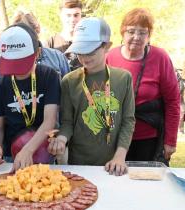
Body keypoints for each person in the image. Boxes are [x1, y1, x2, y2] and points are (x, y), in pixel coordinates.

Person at [51, 17, 135, 176]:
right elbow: (67, 122)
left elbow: (128, 121)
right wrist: (61, 139)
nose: (84, 57)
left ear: (107, 46)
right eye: (80, 51)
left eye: (90, 51)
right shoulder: (69, 81)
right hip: (78, 165)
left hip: (113, 165)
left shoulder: (123, 78)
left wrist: (120, 156)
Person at [0, 11, 70, 142]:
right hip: (14, 138)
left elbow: (67, 95)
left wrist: (65, 132)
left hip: (49, 137)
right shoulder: (3, 62)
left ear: (36, 32)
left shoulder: (56, 58)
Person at [106, 8, 180, 165]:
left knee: (146, 184)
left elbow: (173, 102)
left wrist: (170, 140)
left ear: (149, 35)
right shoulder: (110, 57)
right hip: (115, 137)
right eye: (131, 31)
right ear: (122, 32)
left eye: (142, 33)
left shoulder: (160, 57)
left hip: (149, 140)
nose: (136, 37)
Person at [0, 23, 61, 171]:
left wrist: (28, 150)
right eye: (13, 64)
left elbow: (50, 121)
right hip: (11, 156)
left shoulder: (49, 77)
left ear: (38, 53)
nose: (18, 71)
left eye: (22, 64)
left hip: (43, 153)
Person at [45, 0, 83, 71]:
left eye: (76, 15)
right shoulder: (50, 43)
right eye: (68, 15)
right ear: (61, 16)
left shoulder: (87, 42)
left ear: (81, 15)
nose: (72, 19)